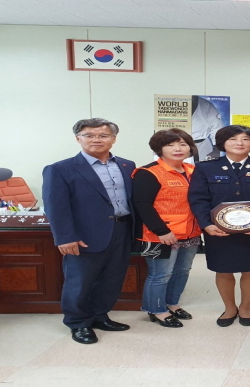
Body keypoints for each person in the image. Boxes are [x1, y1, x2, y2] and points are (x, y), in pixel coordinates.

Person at [42, 118, 135, 344]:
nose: (96, 139)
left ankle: (100, 316)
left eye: (103, 135)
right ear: (78, 139)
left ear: (113, 139)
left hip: (122, 230)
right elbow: (55, 206)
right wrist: (65, 237)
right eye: (89, 135)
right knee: (80, 281)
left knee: (112, 278)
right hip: (85, 235)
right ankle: (78, 323)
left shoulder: (127, 165)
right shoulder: (60, 169)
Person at [189, 125, 250, 327]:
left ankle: (245, 307)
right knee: (223, 270)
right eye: (233, 139)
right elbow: (198, 199)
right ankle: (229, 308)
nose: (239, 143)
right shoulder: (205, 168)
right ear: (222, 143)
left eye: (245, 139)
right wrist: (206, 225)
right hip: (218, 231)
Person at [132, 128, 202, 328]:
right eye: (170, 145)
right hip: (159, 235)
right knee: (160, 274)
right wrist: (161, 231)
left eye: (182, 144)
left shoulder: (193, 171)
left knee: (182, 271)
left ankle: (172, 303)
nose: (177, 149)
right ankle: (156, 310)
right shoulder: (148, 173)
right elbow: (142, 205)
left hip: (190, 232)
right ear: (159, 149)